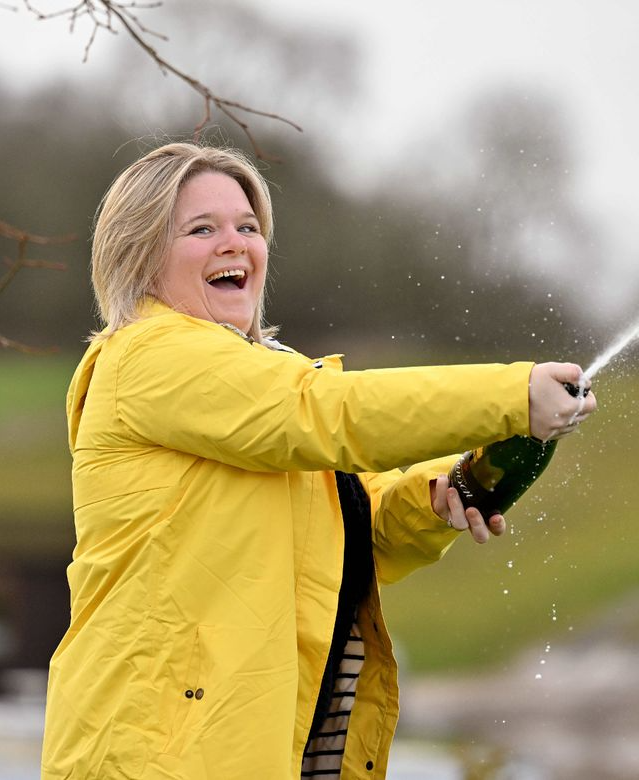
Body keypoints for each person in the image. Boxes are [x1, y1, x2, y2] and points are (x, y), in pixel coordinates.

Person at [40, 141, 596, 779]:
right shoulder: (147, 357)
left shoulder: (268, 376)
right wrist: (509, 396)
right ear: (140, 254)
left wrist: (441, 498)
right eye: (202, 229)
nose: (234, 242)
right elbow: (329, 414)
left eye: (248, 227)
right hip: (159, 758)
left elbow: (359, 530)